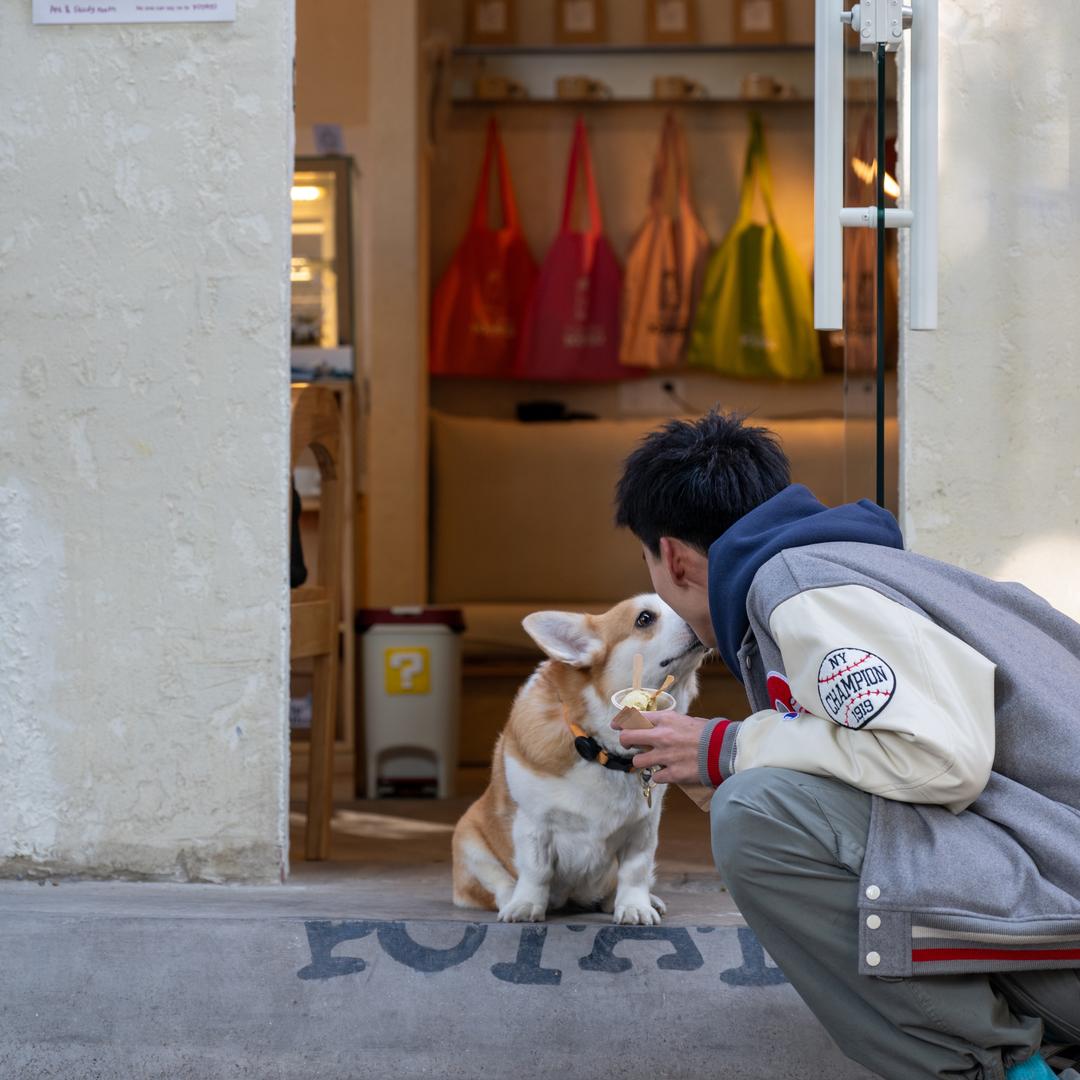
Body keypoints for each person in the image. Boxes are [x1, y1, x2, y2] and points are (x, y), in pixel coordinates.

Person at [612, 410, 1080, 1080]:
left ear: (676, 558)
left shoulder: (798, 588)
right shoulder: (860, 571)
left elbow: (941, 758)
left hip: (1066, 931)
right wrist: (734, 757)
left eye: (650, 566)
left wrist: (736, 750)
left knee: (758, 815)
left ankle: (1010, 1073)